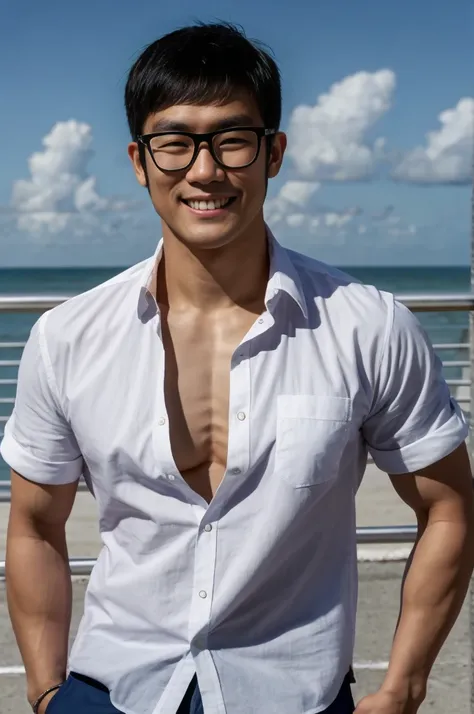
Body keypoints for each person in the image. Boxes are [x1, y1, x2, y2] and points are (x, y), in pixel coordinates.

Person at [2, 21, 473, 714]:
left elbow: (449, 507)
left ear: (272, 152)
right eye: (175, 142)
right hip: (110, 691)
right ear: (139, 160)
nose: (204, 170)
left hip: (293, 695)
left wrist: (402, 687)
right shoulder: (68, 337)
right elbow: (36, 525)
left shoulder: (367, 326)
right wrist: (47, 694)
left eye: (231, 139)